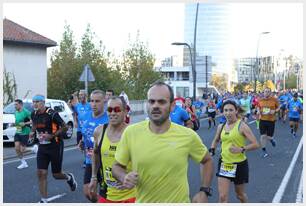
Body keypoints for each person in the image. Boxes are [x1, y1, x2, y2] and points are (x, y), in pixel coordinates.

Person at [112, 81, 214, 203]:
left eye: (161, 102)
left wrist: (204, 191)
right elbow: (117, 167)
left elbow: (207, 160)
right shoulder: (131, 132)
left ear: (172, 106)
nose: (155, 106)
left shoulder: (188, 135)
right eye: (151, 101)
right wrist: (124, 177)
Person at [29, 94, 77, 203]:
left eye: (37, 101)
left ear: (43, 102)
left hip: (55, 145)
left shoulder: (52, 113)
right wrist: (32, 133)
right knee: (41, 173)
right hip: (42, 147)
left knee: (56, 174)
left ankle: (69, 178)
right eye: (34, 102)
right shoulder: (34, 114)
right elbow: (34, 125)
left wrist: (52, 135)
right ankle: (44, 200)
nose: (35, 104)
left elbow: (65, 127)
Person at [209, 100, 259, 203]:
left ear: (236, 111)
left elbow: (255, 144)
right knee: (222, 197)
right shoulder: (221, 126)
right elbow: (216, 139)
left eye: (231, 110)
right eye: (225, 110)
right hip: (225, 163)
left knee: (240, 195)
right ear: (222, 112)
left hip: (239, 165)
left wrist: (242, 149)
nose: (228, 113)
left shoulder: (242, 126)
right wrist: (212, 150)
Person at [88, 96, 136, 203]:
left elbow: (145, 162)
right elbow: (95, 153)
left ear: (125, 112)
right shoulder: (99, 131)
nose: (113, 113)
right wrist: (94, 177)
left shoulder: (132, 133)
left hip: (130, 195)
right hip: (106, 193)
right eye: (110, 109)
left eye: (117, 110)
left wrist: (129, 179)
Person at [80, 90, 109, 202]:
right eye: (92, 101)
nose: (94, 104)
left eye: (97, 101)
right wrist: (82, 142)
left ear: (104, 102)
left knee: (106, 194)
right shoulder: (85, 116)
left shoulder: (108, 119)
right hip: (89, 161)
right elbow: (86, 133)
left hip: (104, 162)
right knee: (88, 192)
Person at [257, 88, 280, 158]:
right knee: (263, 136)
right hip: (262, 120)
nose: (266, 93)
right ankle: (264, 150)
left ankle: (272, 139)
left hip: (271, 120)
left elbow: (279, 107)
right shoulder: (260, 100)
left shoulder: (274, 100)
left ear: (270, 93)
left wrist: (275, 111)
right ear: (263, 92)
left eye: (268, 92)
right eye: (265, 91)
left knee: (269, 137)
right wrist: (258, 110)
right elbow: (258, 107)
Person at [14, 99, 37, 169]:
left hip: (25, 132)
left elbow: (33, 120)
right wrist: (15, 124)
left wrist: (25, 123)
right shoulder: (16, 112)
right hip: (18, 132)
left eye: (16, 104)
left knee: (22, 150)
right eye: (14, 105)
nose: (15, 106)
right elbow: (17, 121)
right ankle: (23, 163)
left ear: (21, 105)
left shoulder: (26, 112)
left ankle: (33, 149)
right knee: (16, 148)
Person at [74, 90, 91, 168]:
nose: (81, 96)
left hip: (87, 129)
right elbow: (75, 114)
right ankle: (86, 157)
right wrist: (75, 121)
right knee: (80, 146)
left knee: (86, 144)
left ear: (86, 96)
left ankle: (87, 160)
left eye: (82, 95)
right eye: (80, 95)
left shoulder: (89, 105)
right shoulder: (77, 105)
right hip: (80, 129)